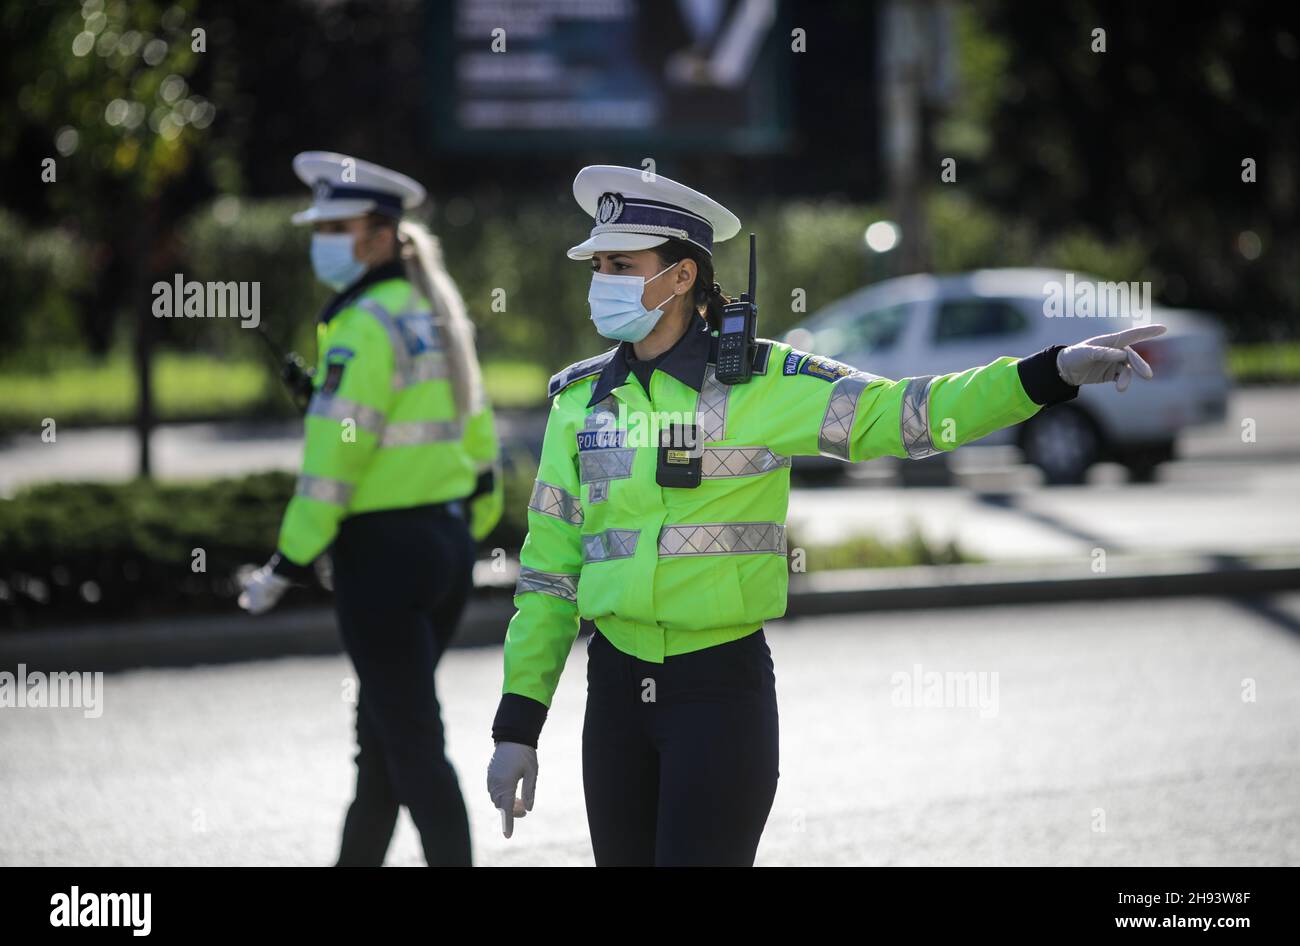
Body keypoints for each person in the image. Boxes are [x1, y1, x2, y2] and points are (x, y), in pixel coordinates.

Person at [485, 164, 1164, 866]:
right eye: (599, 265)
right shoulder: (579, 402)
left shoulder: (768, 382)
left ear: (682, 276)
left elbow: (907, 416)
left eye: (622, 264)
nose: (604, 280)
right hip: (616, 691)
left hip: (716, 694)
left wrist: (1047, 374)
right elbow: (548, 576)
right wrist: (518, 725)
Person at [237, 151, 503, 866]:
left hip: (381, 560)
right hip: (445, 547)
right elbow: (474, 432)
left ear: (382, 234)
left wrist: (286, 561)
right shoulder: (433, 307)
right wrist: (464, 529)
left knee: (411, 746)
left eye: (337, 225)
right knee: (383, 745)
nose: (322, 238)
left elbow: (334, 462)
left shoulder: (361, 323)